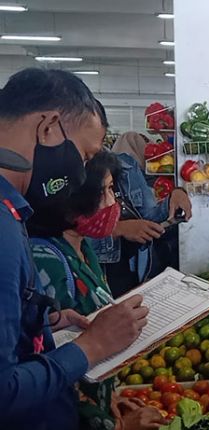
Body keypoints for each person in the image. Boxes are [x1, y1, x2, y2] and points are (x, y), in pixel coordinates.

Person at [0, 68, 150, 430]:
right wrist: (90, 348)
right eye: (84, 156)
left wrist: (38, 326)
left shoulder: (12, 212)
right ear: (48, 127)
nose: (82, 176)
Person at [31, 151, 164, 429]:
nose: (112, 202)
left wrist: (108, 399)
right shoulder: (47, 261)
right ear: (71, 200)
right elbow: (53, 373)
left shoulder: (84, 248)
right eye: (103, 191)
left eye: (112, 189)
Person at [91, 132, 192, 297]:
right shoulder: (73, 175)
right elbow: (72, 237)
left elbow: (148, 215)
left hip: (136, 270)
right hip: (102, 278)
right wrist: (118, 229)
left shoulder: (126, 165)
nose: (110, 201)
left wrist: (175, 196)